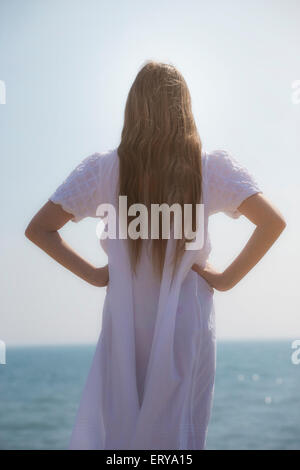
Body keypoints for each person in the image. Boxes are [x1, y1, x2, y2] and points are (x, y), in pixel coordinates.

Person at [25, 61, 286, 450]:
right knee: (179, 436)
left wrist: (97, 275)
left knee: (123, 438)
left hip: (125, 323)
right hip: (187, 323)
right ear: (184, 106)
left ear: (133, 108)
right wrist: (226, 279)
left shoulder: (102, 169)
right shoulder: (208, 167)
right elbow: (272, 222)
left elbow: (40, 229)